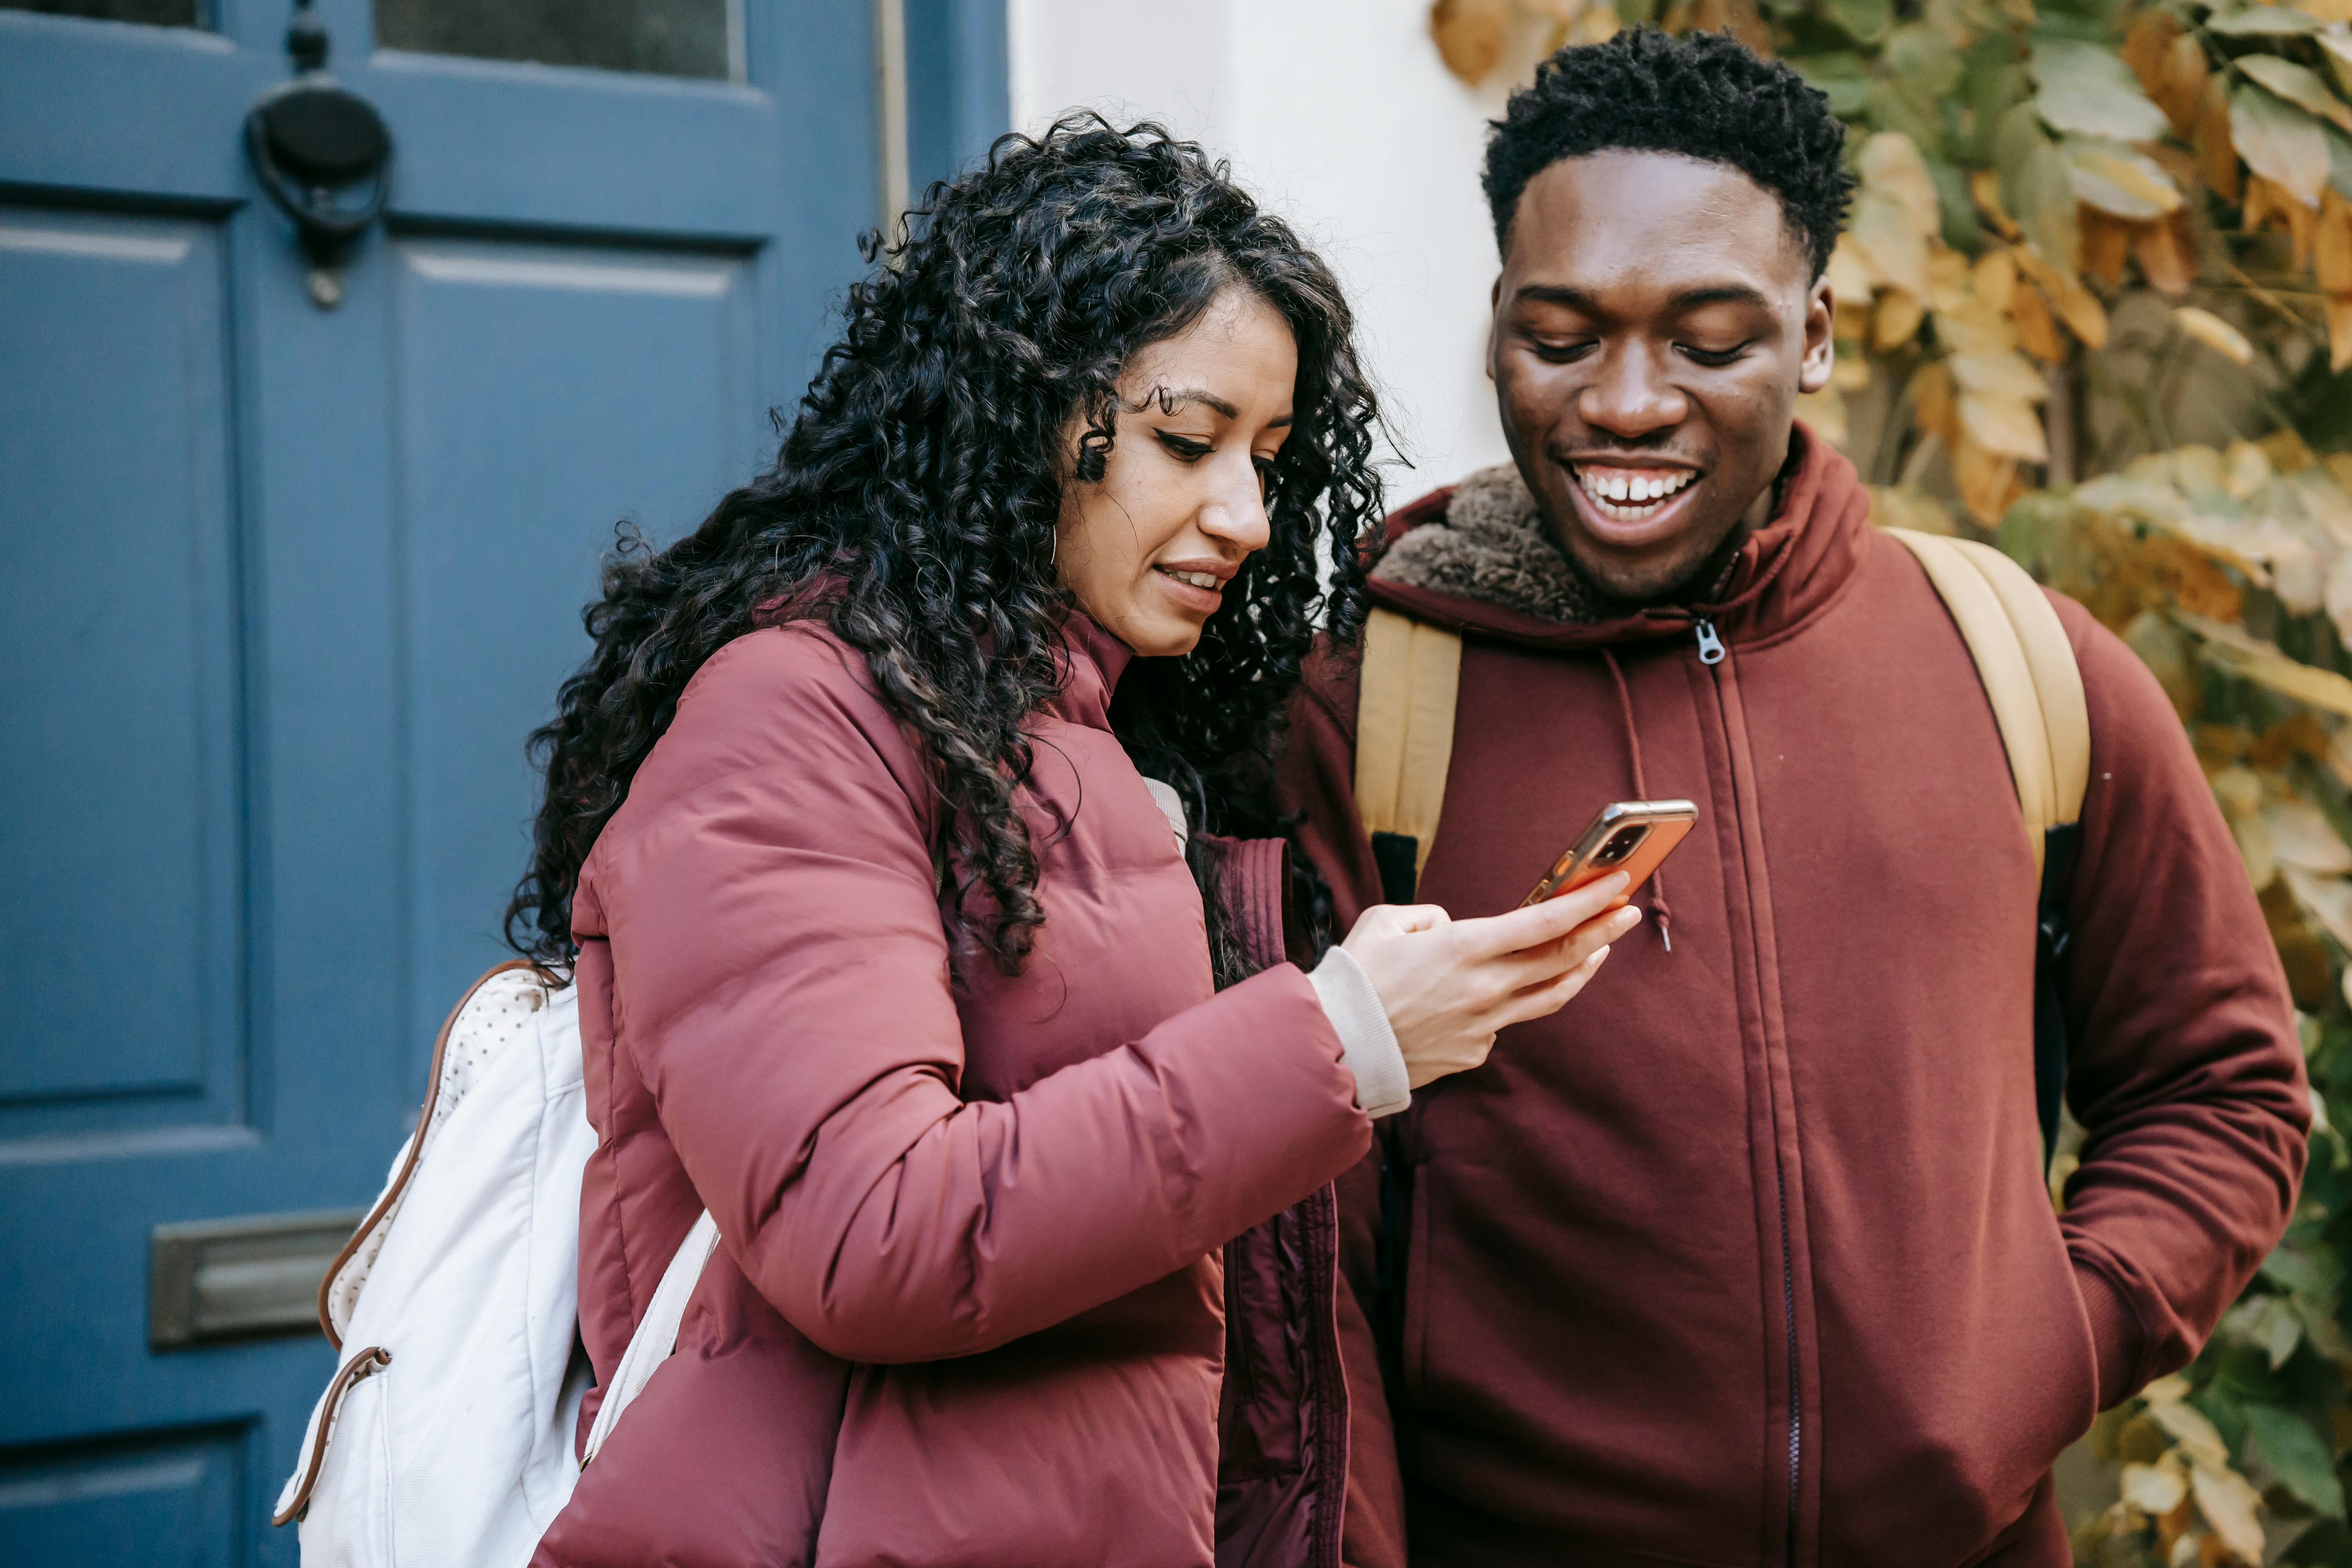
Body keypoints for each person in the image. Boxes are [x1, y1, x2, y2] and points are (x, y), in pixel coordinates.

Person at [502, 117, 1635, 1568]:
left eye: (1272, 458)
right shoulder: (796, 711)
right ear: (1013, 408)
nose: (1242, 514)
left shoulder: (1116, 736)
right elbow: (871, 1230)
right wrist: (1340, 1041)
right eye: (1184, 439)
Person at [1276, 31, 2311, 1568]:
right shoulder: (1367, 709)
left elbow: (2223, 1088)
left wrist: (2044, 1355)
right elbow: (1300, 1234)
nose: (1629, 402)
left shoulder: (2016, 662)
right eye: (1564, 337)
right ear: (1498, 327)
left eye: (1710, 339)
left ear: (1816, 332)